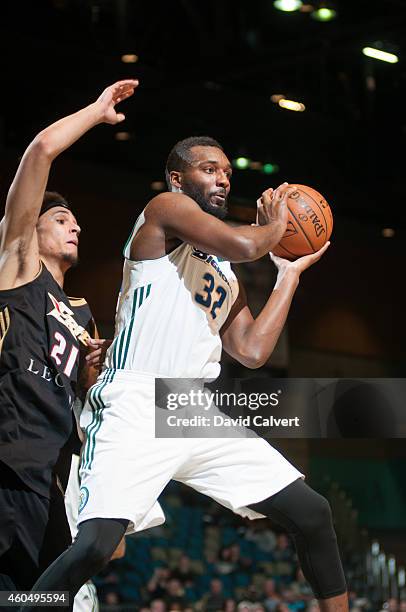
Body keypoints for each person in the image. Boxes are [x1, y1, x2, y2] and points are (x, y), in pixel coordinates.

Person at [23, 135, 348, 611]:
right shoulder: (164, 209)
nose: (222, 179)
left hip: (188, 407)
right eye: (210, 169)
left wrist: (287, 275)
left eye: (226, 173)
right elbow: (243, 241)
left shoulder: (225, 270)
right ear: (179, 178)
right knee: (95, 546)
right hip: (135, 398)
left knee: (313, 512)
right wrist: (277, 226)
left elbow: (252, 349)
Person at [0, 79, 139, 600]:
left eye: (76, 221)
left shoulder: (83, 315)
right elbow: (40, 151)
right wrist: (96, 112)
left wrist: (89, 377)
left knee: (47, 600)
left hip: (52, 477)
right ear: (29, 229)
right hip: (8, 462)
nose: (74, 226)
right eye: (61, 219)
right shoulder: (16, 270)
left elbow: (83, 400)